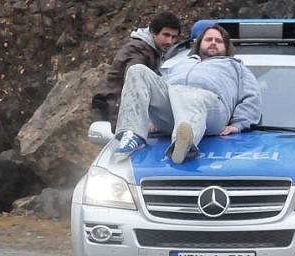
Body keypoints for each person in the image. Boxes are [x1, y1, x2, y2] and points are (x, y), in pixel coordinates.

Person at [112, 24, 262, 163]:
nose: (213, 43)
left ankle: (182, 144)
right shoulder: (180, 63)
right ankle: (133, 134)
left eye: (219, 41)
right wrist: (151, 119)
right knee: (137, 70)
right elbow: (157, 89)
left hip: (212, 109)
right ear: (199, 43)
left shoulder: (235, 67)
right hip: (173, 105)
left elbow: (252, 97)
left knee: (189, 95)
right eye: (209, 39)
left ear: (226, 46)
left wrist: (239, 124)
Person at [91, 11, 182, 124]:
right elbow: (133, 83)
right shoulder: (139, 50)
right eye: (166, 35)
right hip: (119, 111)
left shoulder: (155, 49)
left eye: (173, 37)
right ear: (153, 32)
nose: (169, 41)